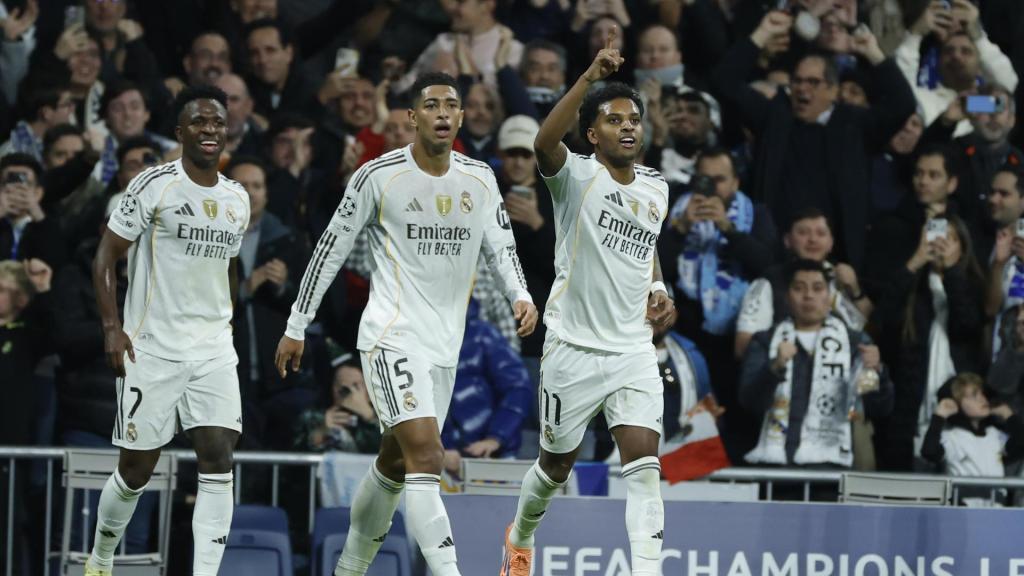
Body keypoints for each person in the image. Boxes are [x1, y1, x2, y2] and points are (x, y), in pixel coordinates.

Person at [274, 71, 537, 576]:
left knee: (394, 463)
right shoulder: (378, 176)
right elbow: (330, 249)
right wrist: (296, 323)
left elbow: (502, 247)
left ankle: (348, 570)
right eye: (432, 105)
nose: (442, 113)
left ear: (461, 116)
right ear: (414, 117)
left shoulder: (480, 178)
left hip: (445, 345)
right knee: (427, 456)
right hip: (391, 336)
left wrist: (520, 295)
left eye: (451, 105)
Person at [500, 31, 674, 576]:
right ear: (593, 134)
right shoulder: (574, 176)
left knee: (644, 468)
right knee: (555, 467)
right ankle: (520, 536)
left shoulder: (657, 188)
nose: (628, 127)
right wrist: (588, 79)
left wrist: (659, 289)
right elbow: (543, 141)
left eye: (634, 119)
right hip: (572, 348)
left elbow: (647, 248)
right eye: (614, 120)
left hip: (632, 351)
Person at [85, 85, 250, 576]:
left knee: (218, 458)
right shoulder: (153, 186)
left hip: (213, 349)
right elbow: (105, 257)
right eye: (199, 121)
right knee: (136, 469)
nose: (209, 130)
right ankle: (101, 559)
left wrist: (226, 320)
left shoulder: (237, 198)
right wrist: (112, 328)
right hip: (152, 348)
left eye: (217, 122)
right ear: (180, 132)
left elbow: (230, 267)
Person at [740, 259, 894, 468]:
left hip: (832, 466)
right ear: (787, 296)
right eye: (799, 288)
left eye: (817, 288)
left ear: (829, 296)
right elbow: (749, 402)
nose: (808, 295)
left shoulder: (855, 344)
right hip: (776, 465)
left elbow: (875, 407)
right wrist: (774, 367)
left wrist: (876, 372)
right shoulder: (766, 341)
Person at [921, 373, 1024, 505]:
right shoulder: (952, 437)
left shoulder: (994, 435)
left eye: (982, 394)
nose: (982, 399)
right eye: (974, 395)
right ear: (956, 403)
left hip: (997, 508)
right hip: (965, 510)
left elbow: (1021, 444)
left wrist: (1008, 415)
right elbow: (929, 452)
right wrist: (939, 416)